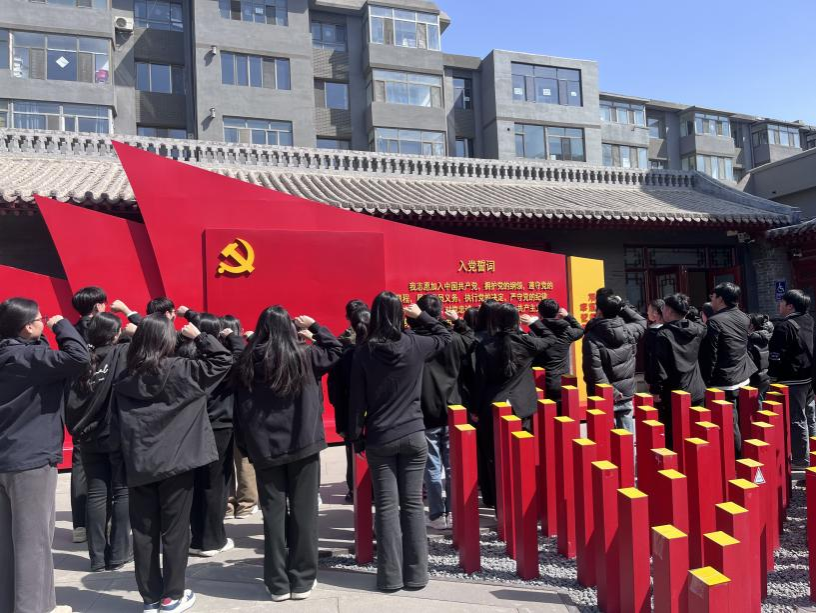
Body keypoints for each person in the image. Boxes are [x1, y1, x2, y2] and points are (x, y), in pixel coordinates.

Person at [115, 314, 232, 613]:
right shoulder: (182, 369)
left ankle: (151, 597)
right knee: (176, 531)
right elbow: (222, 360)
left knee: (143, 533)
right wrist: (200, 336)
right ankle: (172, 596)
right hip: (177, 461)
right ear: (168, 339)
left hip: (140, 461)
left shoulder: (126, 377)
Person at [236, 306, 342, 601]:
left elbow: (239, 408)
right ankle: (302, 579)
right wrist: (315, 326)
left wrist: (246, 445)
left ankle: (277, 583)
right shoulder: (305, 355)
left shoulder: (247, 360)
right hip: (303, 444)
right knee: (304, 513)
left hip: (265, 447)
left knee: (273, 515)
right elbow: (336, 349)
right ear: (290, 328)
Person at [349, 293, 451, 592]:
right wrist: (422, 315)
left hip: (380, 435)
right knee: (412, 505)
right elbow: (445, 335)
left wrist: (356, 438)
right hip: (414, 432)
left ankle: (390, 577)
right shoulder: (416, 344)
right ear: (401, 315)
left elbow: (356, 400)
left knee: (386, 507)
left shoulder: (364, 351)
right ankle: (417, 575)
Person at [0, 297, 89, 613]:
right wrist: (61, 325)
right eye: (41, 318)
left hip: (7, 456)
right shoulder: (31, 358)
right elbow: (79, 357)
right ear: (27, 326)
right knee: (33, 543)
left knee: (8, 544)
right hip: (31, 460)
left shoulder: (12, 354)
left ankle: (34, 605)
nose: (45, 320)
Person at [65, 312, 133, 572]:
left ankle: (97, 559)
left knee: (96, 493)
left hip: (87, 436)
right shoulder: (121, 354)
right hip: (115, 434)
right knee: (122, 492)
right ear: (115, 334)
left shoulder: (80, 360)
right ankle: (119, 554)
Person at [177, 310, 245, 558]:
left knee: (194, 484)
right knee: (215, 485)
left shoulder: (182, 357)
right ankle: (211, 540)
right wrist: (232, 337)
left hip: (188, 426)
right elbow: (240, 357)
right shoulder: (221, 362)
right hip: (218, 428)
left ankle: (197, 536)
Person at [475, 303, 556, 507]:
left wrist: (476, 407)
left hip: (493, 404)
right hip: (522, 406)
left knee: (495, 456)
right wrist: (535, 323)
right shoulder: (527, 342)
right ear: (516, 320)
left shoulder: (485, 345)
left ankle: (499, 501)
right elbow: (551, 339)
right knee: (522, 454)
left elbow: (480, 379)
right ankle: (524, 498)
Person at [411, 294, 474, 531]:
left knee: (431, 465)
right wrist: (458, 321)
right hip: (454, 406)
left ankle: (437, 514)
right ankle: (456, 511)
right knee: (453, 465)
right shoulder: (454, 338)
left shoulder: (413, 341)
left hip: (425, 408)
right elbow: (471, 338)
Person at [699, 282, 756, 457]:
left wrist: (705, 382)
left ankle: (736, 459)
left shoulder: (715, 321)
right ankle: (748, 455)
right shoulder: (744, 316)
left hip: (724, 380)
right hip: (743, 375)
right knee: (745, 420)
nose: (711, 300)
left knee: (729, 425)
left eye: (713, 296)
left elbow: (710, 356)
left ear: (721, 299)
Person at [582, 295, 647, 432]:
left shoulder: (592, 336)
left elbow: (594, 370)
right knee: (626, 438)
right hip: (625, 392)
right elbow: (641, 321)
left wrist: (611, 392)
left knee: (604, 439)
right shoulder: (629, 330)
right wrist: (623, 306)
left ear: (599, 311)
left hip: (604, 395)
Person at [328, 307, 371, 503]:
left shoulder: (344, 353)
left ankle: (355, 490)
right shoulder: (381, 351)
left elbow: (335, 390)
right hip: (378, 414)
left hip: (350, 413)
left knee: (354, 454)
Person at [768, 289, 815, 468]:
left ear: (790, 306)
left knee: (796, 419)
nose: (779, 305)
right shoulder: (809, 320)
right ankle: (812, 453)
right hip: (809, 377)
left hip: (792, 379)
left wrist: (773, 377)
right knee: (809, 416)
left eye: (782, 302)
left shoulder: (784, 326)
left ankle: (801, 460)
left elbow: (775, 355)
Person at [654, 293, 707, 447]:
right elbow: (702, 324)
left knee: (675, 437)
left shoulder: (663, 334)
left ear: (669, 311)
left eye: (663, 308)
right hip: (697, 389)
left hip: (674, 392)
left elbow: (659, 368)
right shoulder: (697, 329)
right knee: (698, 434)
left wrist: (656, 390)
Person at [221, 314, 259, 520]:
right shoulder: (246, 354)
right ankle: (246, 504)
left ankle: (227, 506)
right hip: (242, 415)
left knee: (224, 464)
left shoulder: (215, 354)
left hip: (220, 416)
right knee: (244, 460)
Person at [528, 298, 584, 403]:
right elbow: (580, 330)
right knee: (565, 411)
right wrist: (567, 316)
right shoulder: (566, 331)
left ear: (539, 314)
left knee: (543, 411)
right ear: (557, 312)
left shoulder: (534, 333)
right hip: (562, 381)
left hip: (541, 381)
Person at [643, 299, 665, 402]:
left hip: (656, 377)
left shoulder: (653, 332)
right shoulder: (670, 328)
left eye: (648, 310)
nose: (647, 312)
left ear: (655, 313)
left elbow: (650, 358)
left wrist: (649, 379)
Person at [748, 313, 773, 402]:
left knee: (757, 404)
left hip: (755, 378)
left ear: (752, 326)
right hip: (767, 376)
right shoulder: (768, 337)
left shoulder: (750, 341)